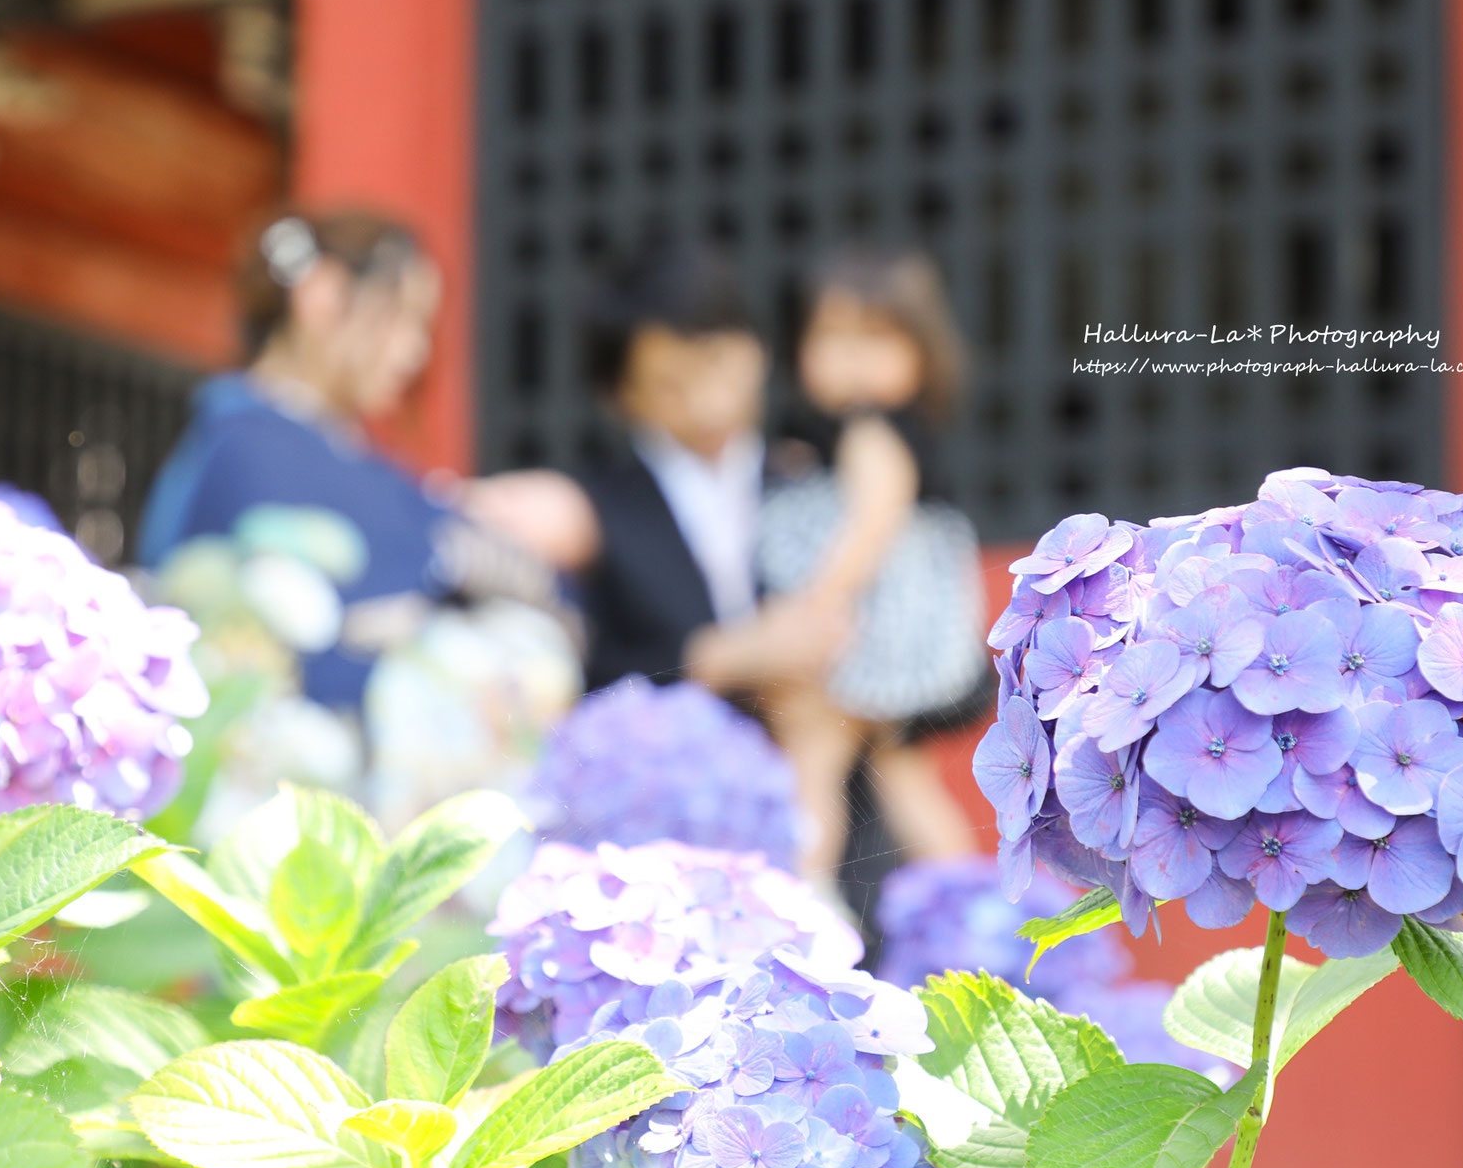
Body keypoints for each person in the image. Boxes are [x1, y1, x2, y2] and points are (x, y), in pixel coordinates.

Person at [140, 207, 561, 708]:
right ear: (323, 296)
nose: (417, 351)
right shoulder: (249, 445)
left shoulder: (329, 452)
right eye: (401, 316)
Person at [466, 239, 848, 701]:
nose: (707, 401)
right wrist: (718, 659)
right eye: (672, 384)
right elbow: (574, 677)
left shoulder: (815, 479)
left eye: (717, 364)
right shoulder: (593, 511)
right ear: (620, 396)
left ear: (758, 348)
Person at [753, 246, 990, 885]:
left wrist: (816, 607)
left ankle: (802, 903)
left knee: (813, 760)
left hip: (861, 628)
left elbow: (871, 522)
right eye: (832, 337)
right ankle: (974, 911)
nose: (852, 360)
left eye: (875, 339)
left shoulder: (870, 432)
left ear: (921, 352)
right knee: (905, 777)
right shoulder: (844, 436)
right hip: (889, 635)